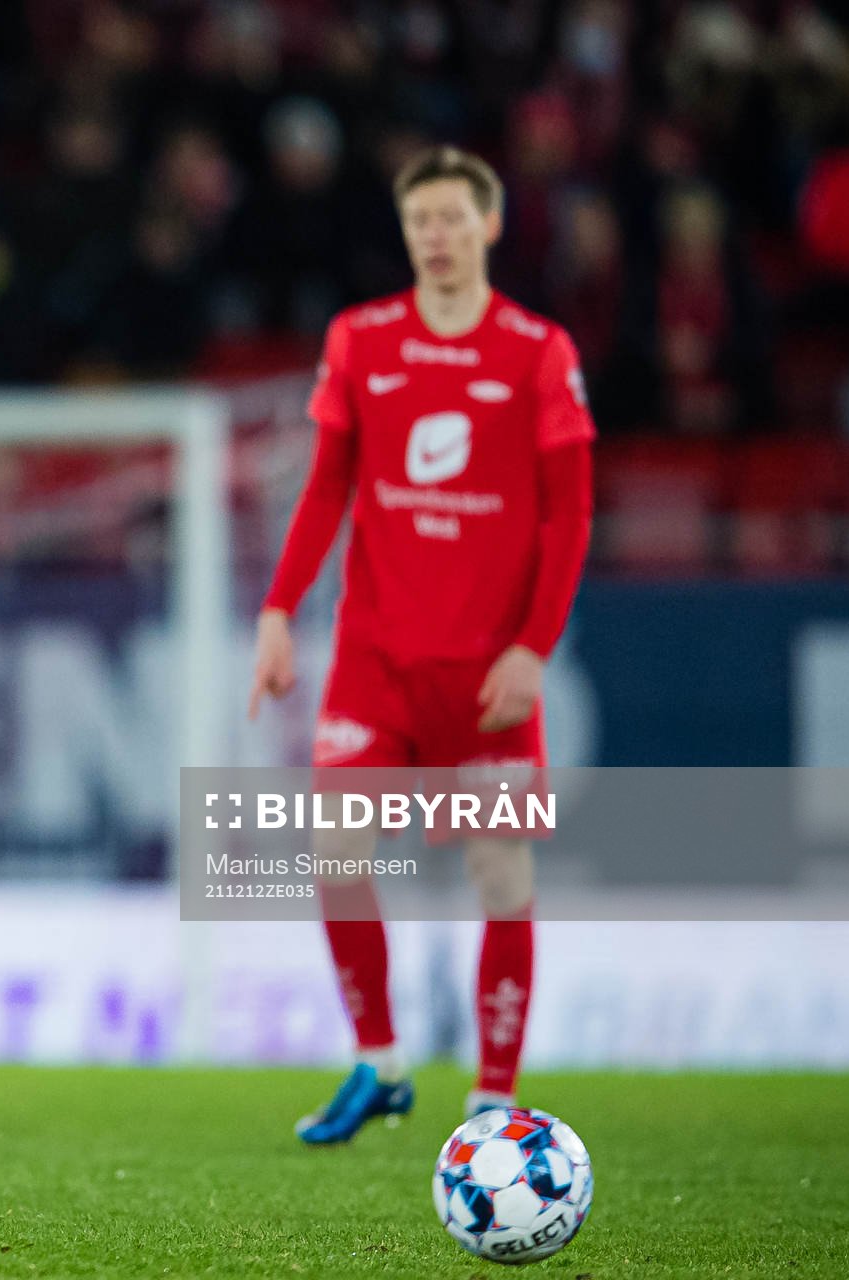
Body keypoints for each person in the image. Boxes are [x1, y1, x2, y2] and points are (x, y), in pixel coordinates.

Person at [247, 146, 594, 1143]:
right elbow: (326, 486)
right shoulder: (362, 337)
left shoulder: (537, 350)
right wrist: (278, 610)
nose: (435, 237)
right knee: (333, 849)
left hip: (487, 669)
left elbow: (570, 517)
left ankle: (493, 1096)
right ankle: (382, 1060)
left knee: (504, 880)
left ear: (489, 225)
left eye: (452, 218)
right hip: (376, 659)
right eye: (419, 221)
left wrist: (533, 646)